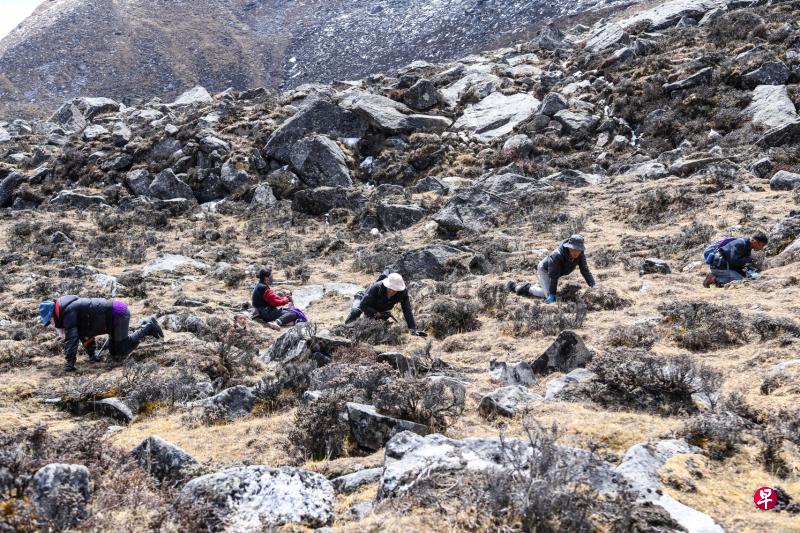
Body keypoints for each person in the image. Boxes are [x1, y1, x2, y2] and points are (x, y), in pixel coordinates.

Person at [39, 296, 163, 372]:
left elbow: (72, 339)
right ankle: (145, 326)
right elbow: (84, 334)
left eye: (50, 321)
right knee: (114, 352)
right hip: (112, 318)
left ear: (53, 315)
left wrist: (69, 364)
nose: (51, 324)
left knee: (121, 348)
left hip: (118, 313)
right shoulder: (67, 309)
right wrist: (92, 355)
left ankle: (147, 327)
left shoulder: (68, 312)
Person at [508, 235, 595, 304]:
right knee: (547, 295)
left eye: (579, 250)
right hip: (545, 270)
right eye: (573, 249)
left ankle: (540, 285)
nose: (576, 252)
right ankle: (524, 288)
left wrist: (592, 285)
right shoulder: (557, 255)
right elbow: (554, 276)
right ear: (568, 247)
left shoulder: (580, 254)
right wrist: (552, 294)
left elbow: (585, 270)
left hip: (558, 272)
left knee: (547, 288)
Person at [345, 269, 423, 335]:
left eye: (395, 289)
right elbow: (363, 305)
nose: (392, 291)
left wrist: (413, 329)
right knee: (355, 312)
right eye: (390, 288)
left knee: (373, 326)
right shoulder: (376, 287)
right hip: (364, 299)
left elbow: (407, 310)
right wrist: (376, 313)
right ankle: (344, 330)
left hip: (379, 307)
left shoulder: (403, 293)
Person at [703, 232, 768, 287]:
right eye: (762, 245)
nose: (761, 248)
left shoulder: (747, 246)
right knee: (738, 280)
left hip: (726, 266)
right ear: (755, 242)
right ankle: (713, 279)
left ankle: (719, 276)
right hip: (719, 267)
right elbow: (734, 261)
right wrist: (749, 259)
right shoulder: (740, 244)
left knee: (746, 278)